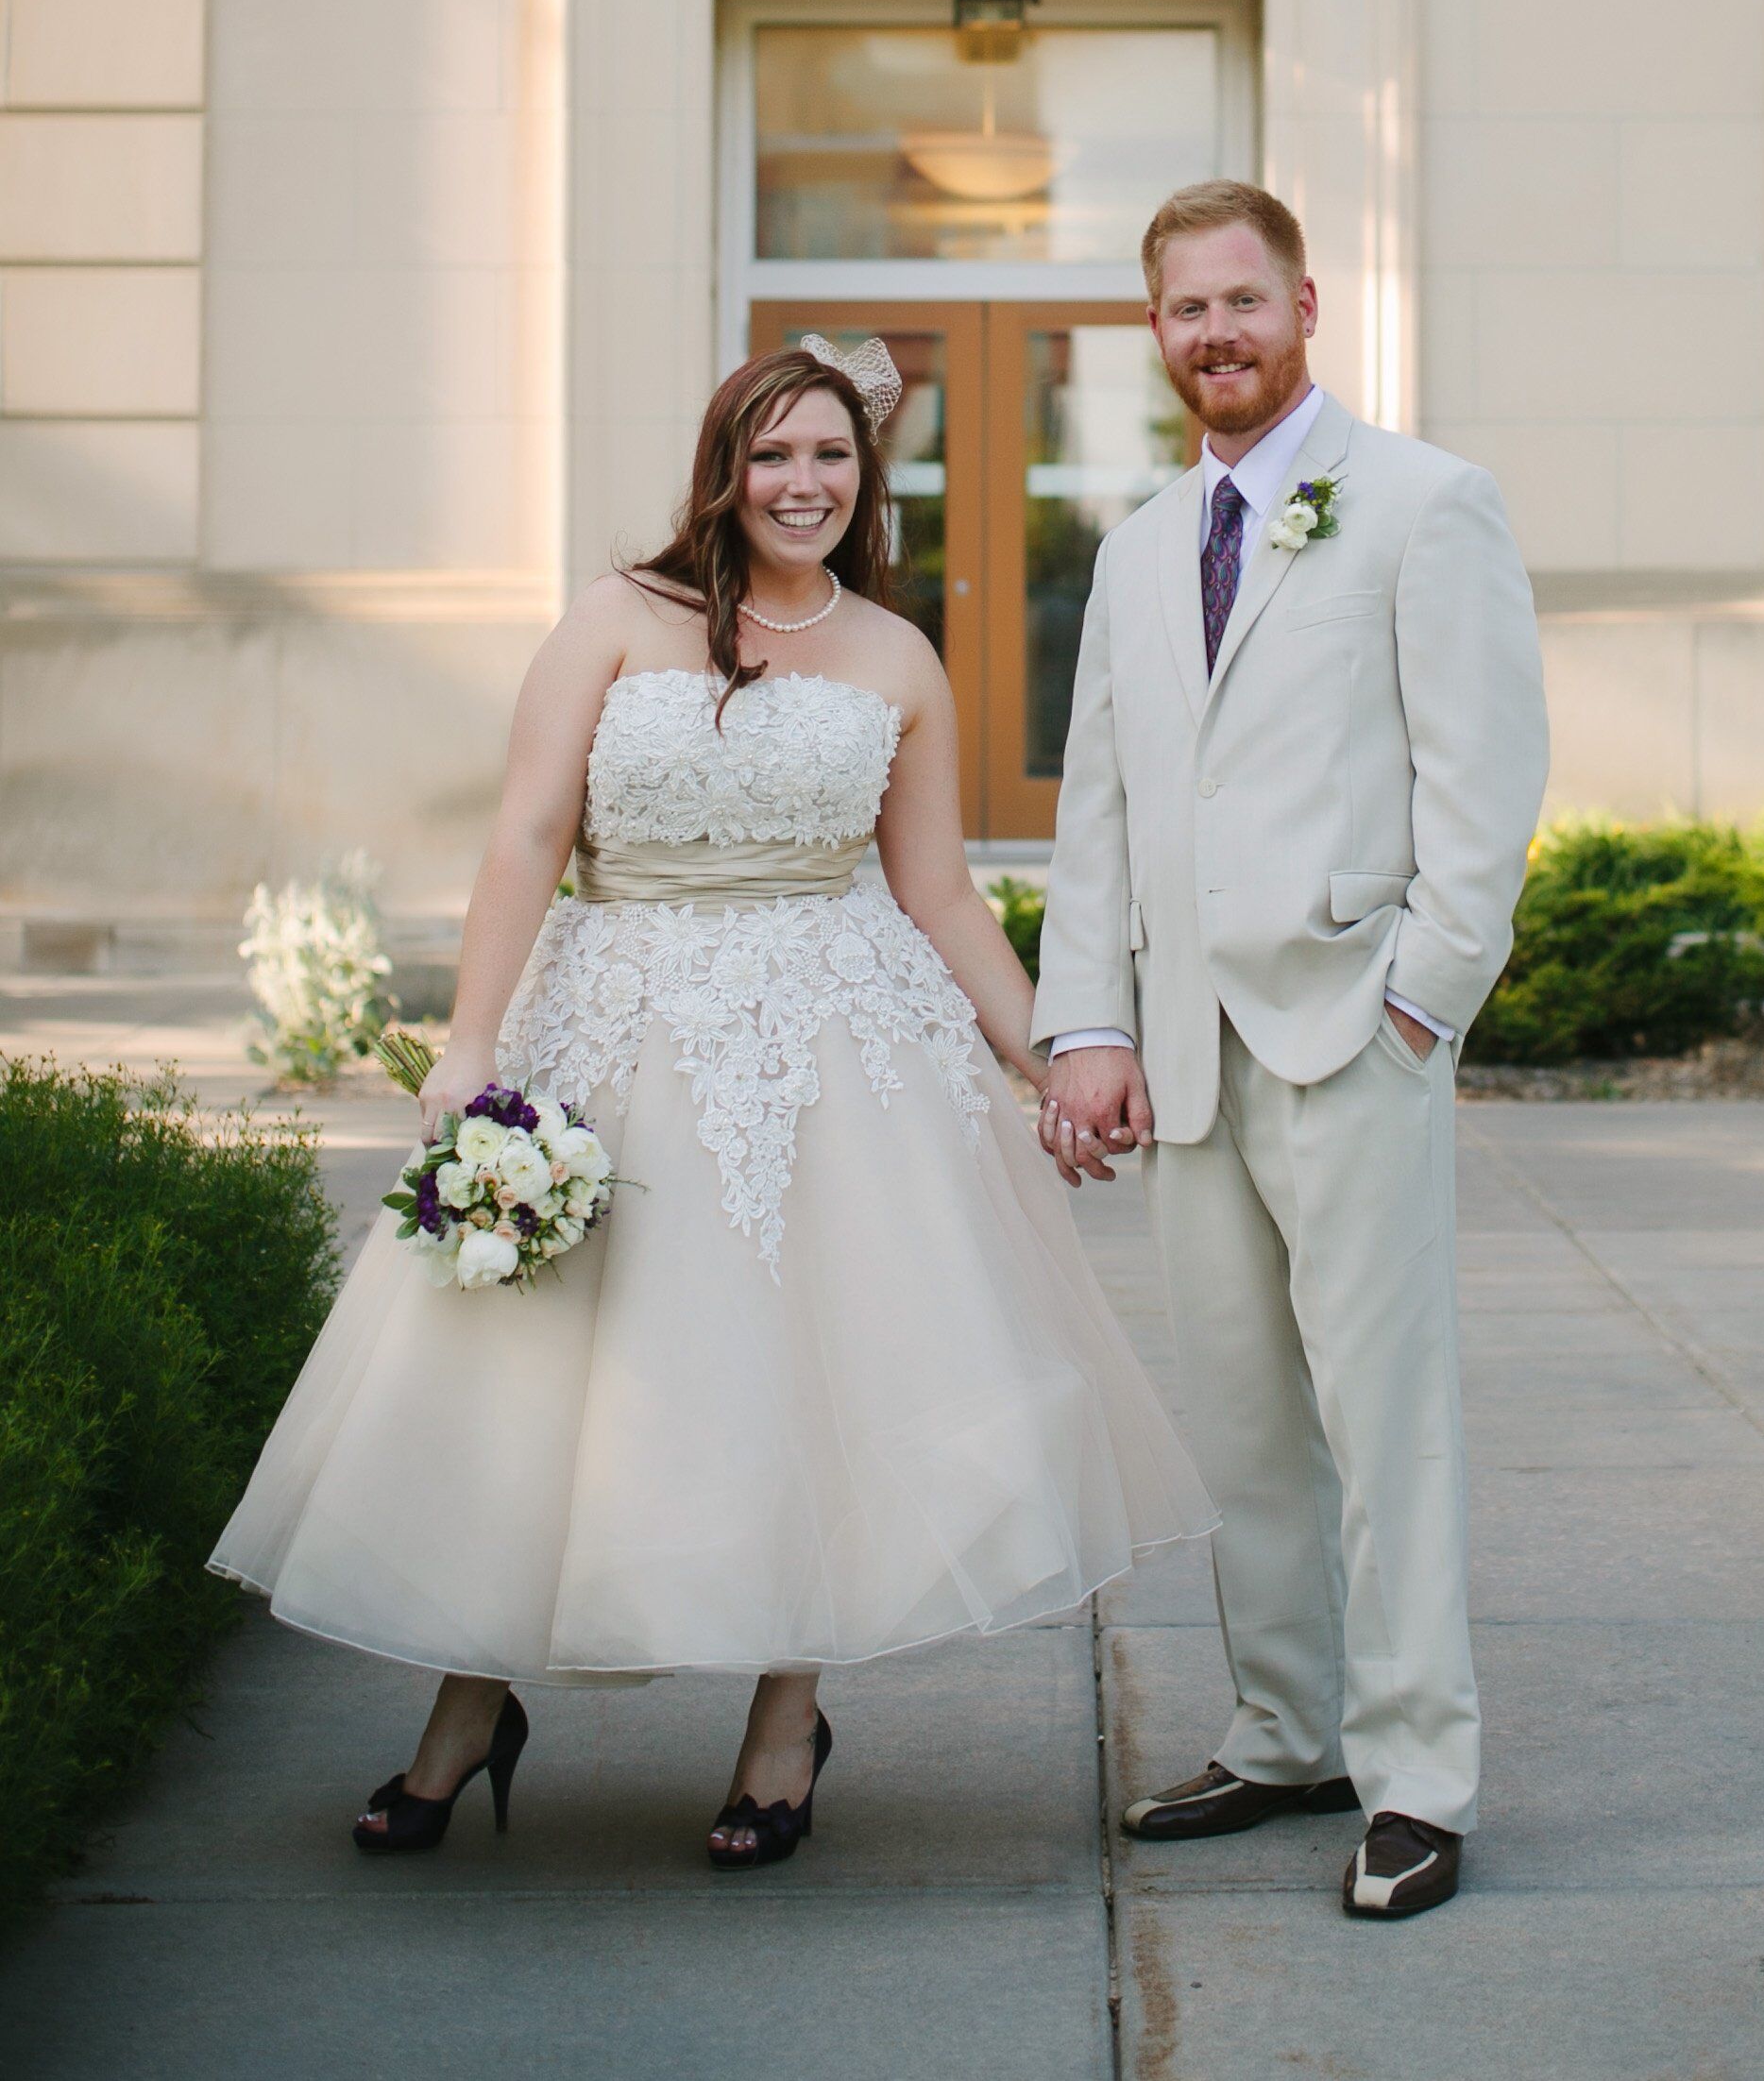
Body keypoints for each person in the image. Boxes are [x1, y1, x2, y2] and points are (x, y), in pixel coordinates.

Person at [214, 336, 1213, 1866]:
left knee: (812, 1378)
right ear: (725, 471)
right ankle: (469, 1711)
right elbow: (527, 833)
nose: (802, 484)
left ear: (865, 473)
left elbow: (939, 895)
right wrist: (466, 1045)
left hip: (832, 1051)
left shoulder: (896, 655)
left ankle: (782, 1723)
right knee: (543, 1373)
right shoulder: (621, 618)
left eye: (830, 456)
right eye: (774, 456)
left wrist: (1057, 1058)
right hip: (612, 1017)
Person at [1031, 183, 1548, 1921]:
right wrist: (1087, 1023)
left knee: (1384, 1426)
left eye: (1243, 302)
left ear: (1306, 304)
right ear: (1158, 333)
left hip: (1352, 1034)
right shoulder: (1131, 551)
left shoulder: (1425, 505)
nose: (1217, 336)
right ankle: (1283, 1733)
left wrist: (1423, 1001)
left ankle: (1418, 1776)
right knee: (1246, 1428)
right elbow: (1097, 810)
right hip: (1187, 1053)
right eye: (1185, 311)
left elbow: (1486, 788)